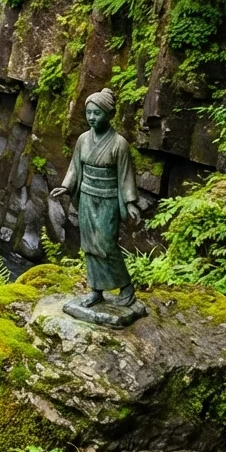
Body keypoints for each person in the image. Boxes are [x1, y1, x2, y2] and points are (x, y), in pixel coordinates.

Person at [50, 87, 141, 307]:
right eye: (89, 112)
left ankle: (126, 287)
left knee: (106, 244)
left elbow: (126, 176)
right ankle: (96, 290)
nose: (91, 117)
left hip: (108, 200)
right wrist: (66, 187)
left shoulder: (119, 144)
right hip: (87, 197)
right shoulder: (83, 140)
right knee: (89, 244)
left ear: (109, 114)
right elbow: (74, 167)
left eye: (96, 113)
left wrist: (130, 203)